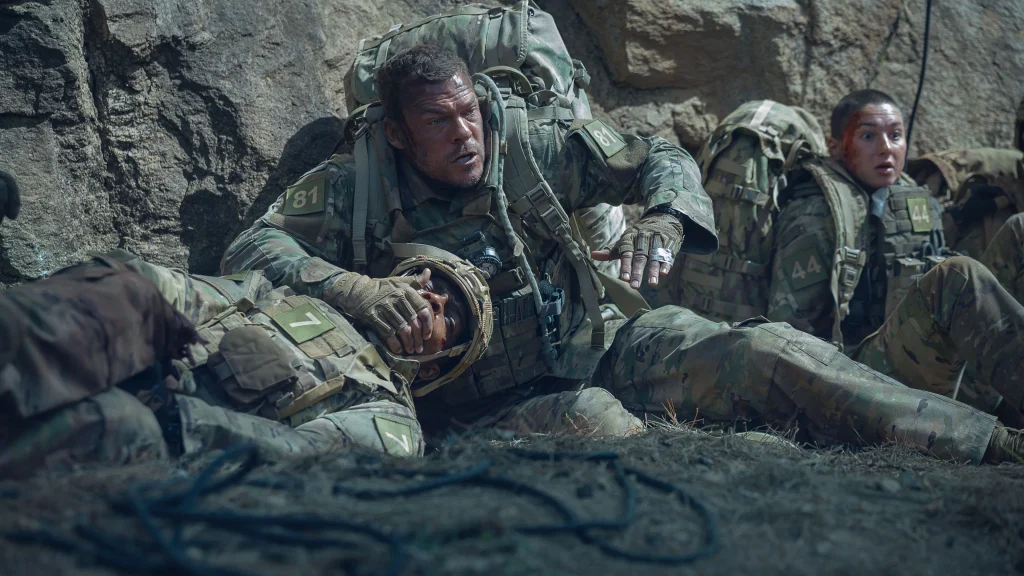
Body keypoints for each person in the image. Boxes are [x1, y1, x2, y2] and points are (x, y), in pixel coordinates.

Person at [224, 45, 1023, 464]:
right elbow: (250, 246)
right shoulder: (355, 185)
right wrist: (353, 289)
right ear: (400, 133)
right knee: (613, 434)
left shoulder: (527, 143)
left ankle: (987, 443)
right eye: (439, 122)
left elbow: (656, 155)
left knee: (766, 350)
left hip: (604, 342)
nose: (466, 134)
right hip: (485, 405)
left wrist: (665, 218)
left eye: (469, 112)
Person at [768, 89, 1024, 426]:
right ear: (835, 148)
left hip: (925, 367)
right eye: (868, 136)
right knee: (957, 276)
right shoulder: (816, 215)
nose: (886, 148)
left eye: (895, 135)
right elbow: (789, 336)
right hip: (859, 386)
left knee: (1020, 228)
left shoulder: (909, 197)